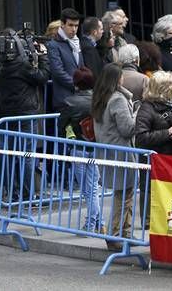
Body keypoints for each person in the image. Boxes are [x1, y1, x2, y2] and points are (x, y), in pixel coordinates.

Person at [91, 63, 136, 251]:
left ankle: (125, 233)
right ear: (117, 79)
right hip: (121, 152)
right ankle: (115, 234)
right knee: (124, 194)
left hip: (108, 151)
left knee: (125, 193)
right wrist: (138, 115)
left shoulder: (100, 97)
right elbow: (127, 128)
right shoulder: (117, 99)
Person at [135, 70, 172, 229]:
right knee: (150, 193)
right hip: (153, 162)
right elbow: (140, 138)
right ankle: (148, 225)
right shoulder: (146, 108)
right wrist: (167, 133)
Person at [61, 67, 103, 233]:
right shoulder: (100, 100)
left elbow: (61, 125)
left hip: (78, 147)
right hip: (97, 147)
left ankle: (91, 224)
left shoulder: (70, 102)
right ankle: (99, 222)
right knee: (92, 188)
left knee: (89, 189)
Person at [0, 28, 50, 117]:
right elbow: (42, 77)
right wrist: (43, 55)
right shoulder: (22, 65)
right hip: (25, 113)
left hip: (7, 111)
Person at [47, 8, 84, 112]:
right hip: (64, 100)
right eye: (71, 25)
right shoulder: (54, 45)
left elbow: (81, 67)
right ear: (62, 24)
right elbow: (58, 72)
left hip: (79, 98)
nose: (74, 29)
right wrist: (76, 85)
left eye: (76, 26)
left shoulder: (76, 42)